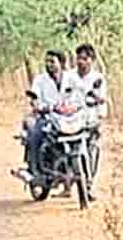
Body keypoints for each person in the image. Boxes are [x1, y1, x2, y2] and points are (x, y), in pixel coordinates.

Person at [13, 49, 77, 183]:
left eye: (52, 62)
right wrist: (38, 106)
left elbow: (79, 95)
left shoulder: (72, 78)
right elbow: (34, 97)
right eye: (47, 62)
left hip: (70, 118)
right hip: (48, 117)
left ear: (62, 63)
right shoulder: (40, 79)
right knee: (36, 135)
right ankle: (34, 170)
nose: (49, 64)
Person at [67, 43, 110, 120]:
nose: (80, 61)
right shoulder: (68, 76)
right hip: (71, 118)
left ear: (92, 60)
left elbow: (102, 100)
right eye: (79, 58)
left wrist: (100, 115)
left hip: (91, 118)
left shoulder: (98, 78)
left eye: (85, 59)